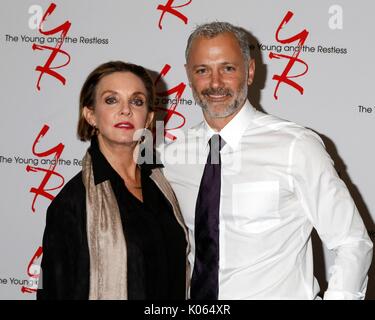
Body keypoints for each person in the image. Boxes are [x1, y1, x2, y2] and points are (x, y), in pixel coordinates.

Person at [161, 22, 373, 299]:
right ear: (189, 76)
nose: (215, 83)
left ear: (249, 72)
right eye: (203, 70)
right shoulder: (173, 156)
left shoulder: (295, 146)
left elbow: (352, 241)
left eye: (228, 68)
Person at [37, 61, 189, 300]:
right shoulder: (72, 204)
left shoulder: (163, 186)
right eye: (111, 100)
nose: (126, 110)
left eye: (137, 101)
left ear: (148, 118)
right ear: (90, 115)